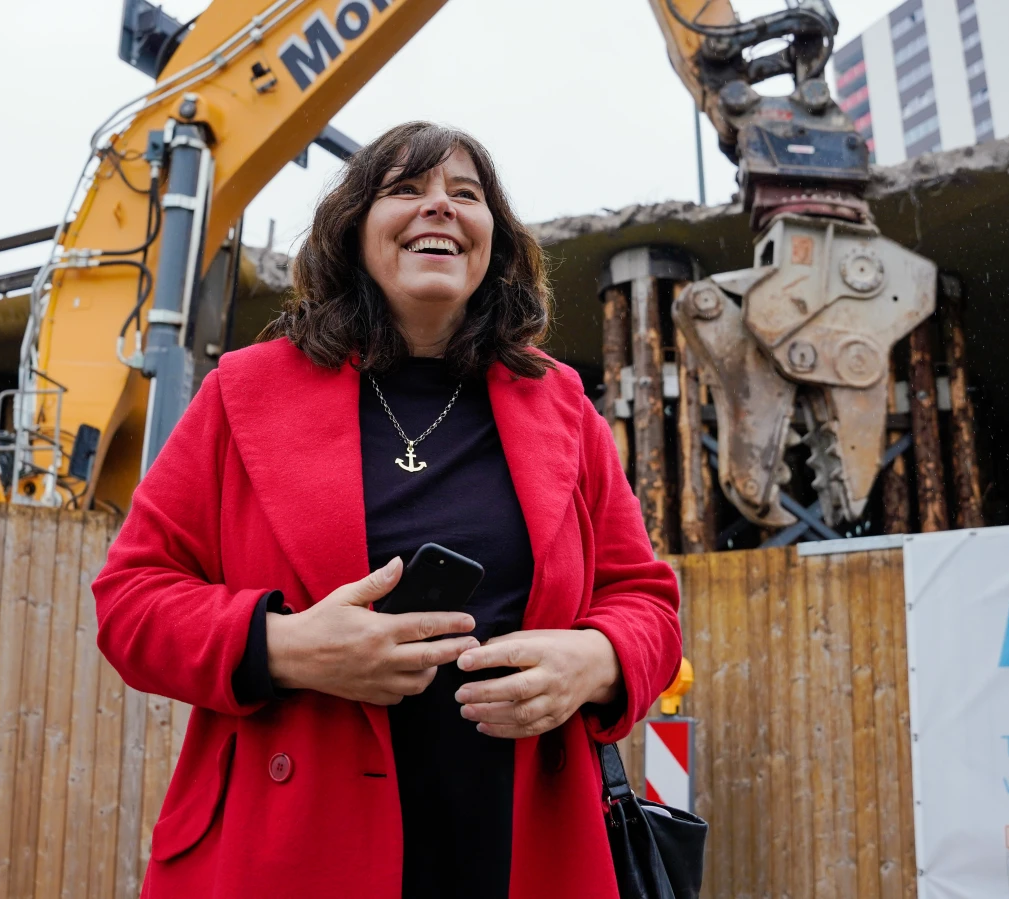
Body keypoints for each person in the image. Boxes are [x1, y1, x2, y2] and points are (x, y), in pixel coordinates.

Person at [93, 121, 682, 899]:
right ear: (353, 230)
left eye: (465, 194)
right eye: (406, 189)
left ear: (493, 240)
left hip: (522, 849)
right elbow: (130, 600)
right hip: (291, 850)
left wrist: (596, 661)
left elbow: (646, 603)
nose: (439, 206)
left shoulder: (562, 405)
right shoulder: (242, 391)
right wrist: (284, 646)